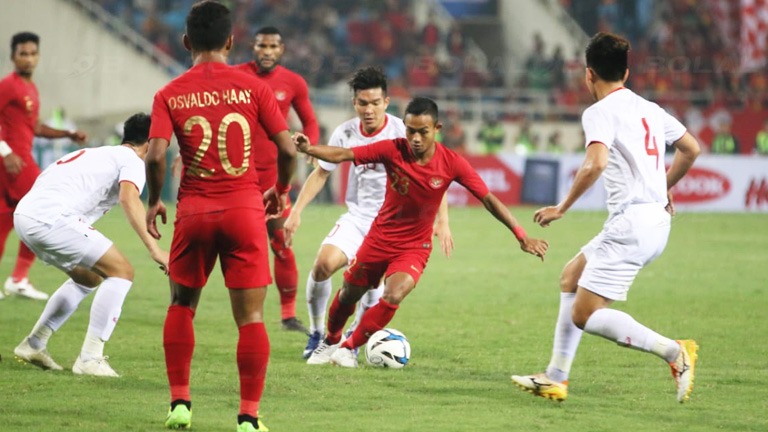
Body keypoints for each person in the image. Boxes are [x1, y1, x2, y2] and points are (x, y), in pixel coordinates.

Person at [510, 32, 701, 404]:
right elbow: (690, 149)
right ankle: (556, 377)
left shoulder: (598, 112)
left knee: (584, 315)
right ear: (626, 74)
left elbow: (595, 162)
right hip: (651, 222)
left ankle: (674, 351)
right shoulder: (649, 108)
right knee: (571, 276)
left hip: (631, 225)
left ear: (588, 74)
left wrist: (562, 207)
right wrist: (661, 188)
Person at [296, 97, 549, 368]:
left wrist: (521, 235)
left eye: (422, 132)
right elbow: (345, 154)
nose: (415, 138)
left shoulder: (451, 162)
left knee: (394, 294)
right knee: (349, 293)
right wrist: (311, 148)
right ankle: (331, 339)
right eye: (410, 130)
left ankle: (348, 347)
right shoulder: (393, 149)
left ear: (437, 128)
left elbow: (487, 198)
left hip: (414, 246)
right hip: (379, 238)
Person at [145, 2, 296, 431]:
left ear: (186, 41)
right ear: (231, 41)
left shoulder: (170, 91)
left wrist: (156, 200)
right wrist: (280, 192)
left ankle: (180, 403)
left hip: (193, 210)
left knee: (181, 304)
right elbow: (287, 150)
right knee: (250, 318)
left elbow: (156, 154)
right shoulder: (253, 88)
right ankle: (248, 418)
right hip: (245, 210)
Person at [282, 66, 453, 360]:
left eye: (375, 103)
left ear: (386, 102)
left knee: (370, 289)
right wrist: (296, 211)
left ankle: (353, 343)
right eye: (363, 103)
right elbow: (322, 173)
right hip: (358, 218)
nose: (369, 110)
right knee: (323, 264)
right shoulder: (345, 132)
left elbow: (435, 175)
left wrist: (443, 222)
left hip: (394, 226)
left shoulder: (404, 130)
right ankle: (317, 333)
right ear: (355, 104)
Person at [12, 113, 168, 377]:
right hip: (52, 219)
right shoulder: (132, 160)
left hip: (26, 216)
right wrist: (155, 249)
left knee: (90, 277)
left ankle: (34, 343)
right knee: (122, 272)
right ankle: (90, 358)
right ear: (151, 142)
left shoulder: (96, 153)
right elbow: (129, 199)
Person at [237, 26, 320, 333]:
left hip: (273, 180)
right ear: (253, 47)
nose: (267, 51)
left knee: (282, 243)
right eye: (262, 46)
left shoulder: (293, 82)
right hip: (238, 178)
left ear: (282, 49)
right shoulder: (236, 75)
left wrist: (311, 145)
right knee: (238, 246)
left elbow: (310, 119)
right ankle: (192, 305)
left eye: (273, 46)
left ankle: (288, 316)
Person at [0, 32, 88, 301]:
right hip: (15, 163)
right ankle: (19, 277)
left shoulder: (30, 89)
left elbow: (34, 126)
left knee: (5, 220)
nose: (28, 58)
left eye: (32, 53)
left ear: (38, 56)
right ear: (13, 56)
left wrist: (67, 135)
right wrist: (5, 152)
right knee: (39, 213)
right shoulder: (8, 86)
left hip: (17, 161)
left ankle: (18, 279)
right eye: (22, 53)